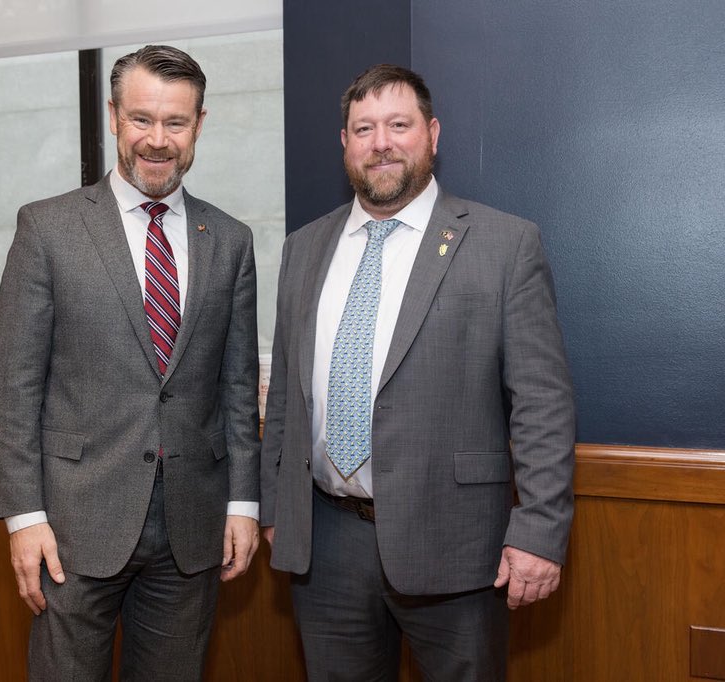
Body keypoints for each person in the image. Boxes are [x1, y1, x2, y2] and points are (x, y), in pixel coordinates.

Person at [259, 64, 575, 681]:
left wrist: (540, 529)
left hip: (459, 545)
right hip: (325, 544)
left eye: (399, 125)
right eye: (364, 129)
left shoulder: (504, 244)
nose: (381, 143)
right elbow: (290, 397)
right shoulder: (304, 248)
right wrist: (275, 508)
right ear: (344, 143)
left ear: (432, 134)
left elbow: (543, 404)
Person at [0, 45, 261, 681]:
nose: (157, 140)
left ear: (199, 124)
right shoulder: (47, 229)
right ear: (113, 117)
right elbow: (15, 388)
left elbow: (238, 386)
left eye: (175, 122)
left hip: (193, 527)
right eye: (142, 119)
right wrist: (23, 518)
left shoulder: (231, 240)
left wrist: (244, 504)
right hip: (72, 527)